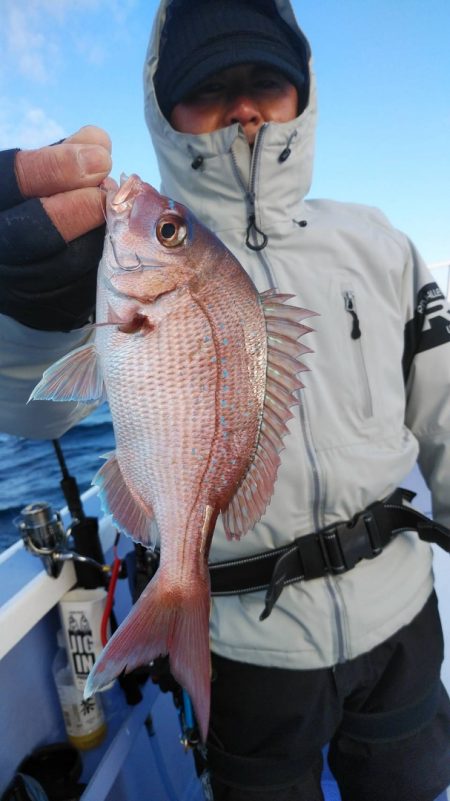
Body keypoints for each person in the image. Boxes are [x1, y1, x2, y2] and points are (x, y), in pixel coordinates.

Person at [1, 1, 449, 799]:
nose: (242, 106)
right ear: (163, 110)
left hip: (402, 623)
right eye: (209, 85)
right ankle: (179, 602)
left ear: (302, 92)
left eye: (264, 80)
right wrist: (24, 321)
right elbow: (38, 411)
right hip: (247, 646)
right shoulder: (106, 268)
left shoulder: (380, 243)